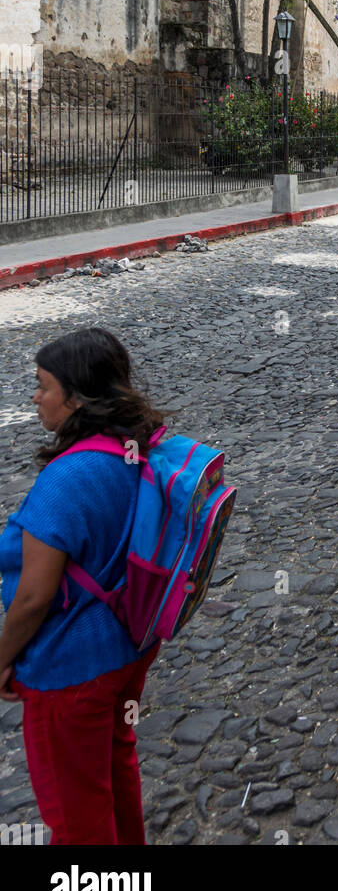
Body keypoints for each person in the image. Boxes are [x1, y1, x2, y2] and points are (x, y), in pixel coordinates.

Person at [0, 329, 167, 844]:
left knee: (75, 811)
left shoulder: (66, 479)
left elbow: (33, 597)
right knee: (115, 770)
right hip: (128, 649)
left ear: (76, 397)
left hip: (71, 667)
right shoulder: (138, 448)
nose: (34, 397)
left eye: (41, 386)